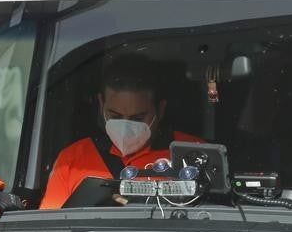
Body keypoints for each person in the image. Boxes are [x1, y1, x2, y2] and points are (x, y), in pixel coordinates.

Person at [40, 54, 201, 209]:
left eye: (137, 118)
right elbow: (51, 229)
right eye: (115, 116)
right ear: (101, 103)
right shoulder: (72, 160)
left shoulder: (194, 154)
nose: (125, 128)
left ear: (160, 109)